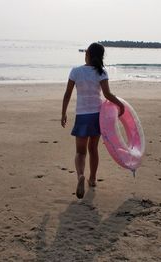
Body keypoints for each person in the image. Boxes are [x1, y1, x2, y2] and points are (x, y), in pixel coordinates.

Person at [61, 42, 125, 199]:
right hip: (97, 115)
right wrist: (120, 104)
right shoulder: (101, 72)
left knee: (80, 151)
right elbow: (108, 95)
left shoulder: (76, 71)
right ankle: (93, 179)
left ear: (87, 54)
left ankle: (81, 175)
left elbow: (67, 94)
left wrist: (63, 113)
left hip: (82, 116)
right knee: (93, 149)